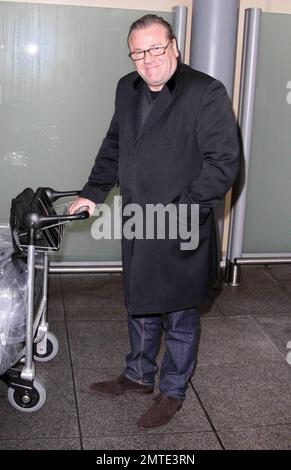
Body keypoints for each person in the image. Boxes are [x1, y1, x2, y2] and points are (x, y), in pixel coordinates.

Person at [69, 14, 239, 428]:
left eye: (156, 49)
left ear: (174, 47)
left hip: (181, 223)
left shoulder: (205, 92)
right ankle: (138, 374)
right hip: (136, 221)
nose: (147, 61)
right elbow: (114, 145)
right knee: (139, 301)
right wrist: (93, 191)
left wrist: (182, 210)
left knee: (179, 315)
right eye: (138, 53)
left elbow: (224, 163)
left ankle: (172, 390)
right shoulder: (126, 89)